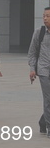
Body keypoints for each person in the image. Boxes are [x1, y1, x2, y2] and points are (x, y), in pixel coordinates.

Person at [28, 7, 50, 136]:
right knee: (47, 98)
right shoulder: (39, 32)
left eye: (48, 16)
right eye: (44, 16)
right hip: (43, 70)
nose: (45, 18)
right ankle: (49, 126)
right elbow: (32, 52)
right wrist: (32, 69)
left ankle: (43, 121)